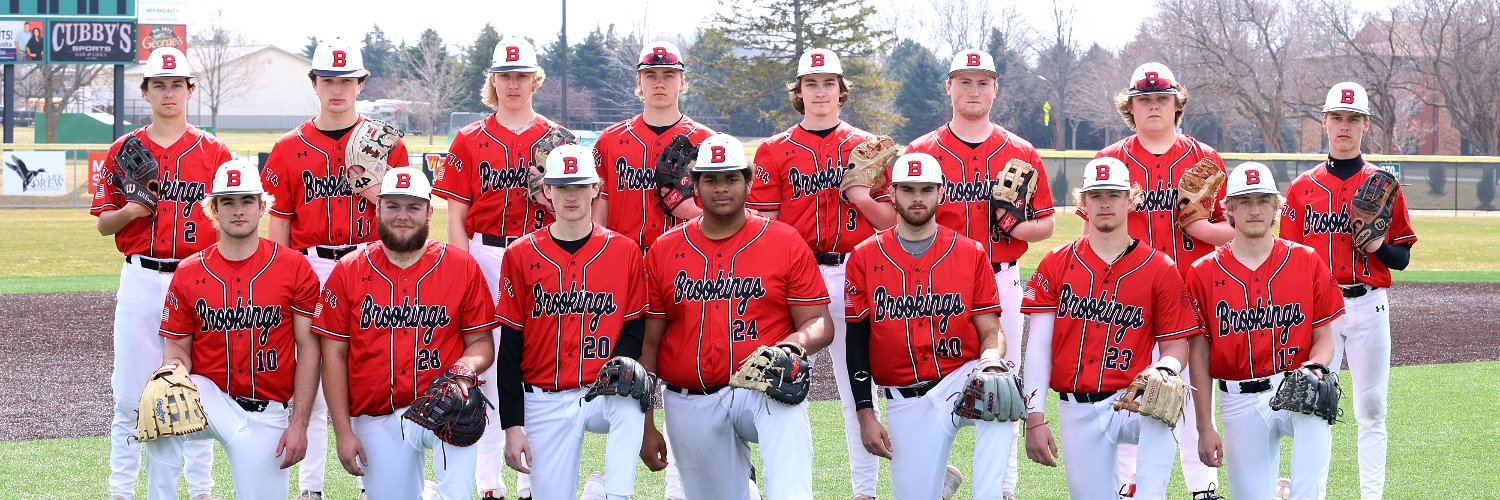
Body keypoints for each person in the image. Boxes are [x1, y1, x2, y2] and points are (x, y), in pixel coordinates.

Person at [637, 133, 834, 499]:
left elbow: (819, 322)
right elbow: (649, 342)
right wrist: (646, 423)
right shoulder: (665, 250)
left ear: (749, 180)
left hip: (758, 389)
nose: (721, 188)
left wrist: (791, 346)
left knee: (783, 397)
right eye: (710, 179)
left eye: (731, 178)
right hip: (689, 398)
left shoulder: (784, 240)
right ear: (694, 186)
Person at [259, 37, 412, 499]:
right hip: (309, 266)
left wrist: (374, 192)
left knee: (365, 374)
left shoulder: (387, 145)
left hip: (369, 265)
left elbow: (405, 217)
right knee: (310, 372)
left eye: (346, 80)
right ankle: (310, 487)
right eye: (328, 80)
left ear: (361, 83)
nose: (337, 89)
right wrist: (277, 279)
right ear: (315, 84)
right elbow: (279, 221)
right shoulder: (287, 147)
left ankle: (373, 483)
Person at [903, 48, 1055, 498]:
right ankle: (937, 471)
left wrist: (1015, 225)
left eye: (983, 82)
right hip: (937, 283)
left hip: (1001, 276)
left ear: (996, 89)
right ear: (949, 87)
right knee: (926, 375)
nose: (974, 90)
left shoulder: (1021, 151)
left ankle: (1004, 486)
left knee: (1003, 381)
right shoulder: (922, 152)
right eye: (964, 81)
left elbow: (1046, 221)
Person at [745, 48, 895, 500]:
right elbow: (766, 225)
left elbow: (892, 222)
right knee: (779, 381)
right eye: (811, 83)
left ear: (842, 90)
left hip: (855, 270)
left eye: (829, 82)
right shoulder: (774, 150)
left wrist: (861, 196)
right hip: (796, 272)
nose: (820, 91)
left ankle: (865, 491)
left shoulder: (869, 146)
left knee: (857, 388)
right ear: (799, 92)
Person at [1019, 157, 1202, 500]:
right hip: (1077, 407)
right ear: (1083, 203)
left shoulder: (1159, 267)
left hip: (1130, 402)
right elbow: (1039, 348)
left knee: (1161, 403)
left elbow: (1177, 345)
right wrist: (1035, 418)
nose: (1105, 202)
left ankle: (1147, 494)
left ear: (1131, 200)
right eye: (1096, 194)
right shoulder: (1056, 263)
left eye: (1114, 194)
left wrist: (1166, 367)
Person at [590, 40, 724, 500]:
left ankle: (696, 476)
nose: (660, 83)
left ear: (683, 81)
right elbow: (599, 212)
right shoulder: (610, 141)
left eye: (669, 75)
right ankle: (616, 477)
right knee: (628, 371)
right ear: (638, 84)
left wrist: (689, 208)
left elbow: (727, 214)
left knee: (689, 371)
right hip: (628, 269)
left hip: (691, 271)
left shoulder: (707, 142)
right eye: (651, 76)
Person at [314, 167, 497, 500]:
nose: (402, 216)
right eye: (393, 206)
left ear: (429, 211)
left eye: (412, 207)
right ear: (377, 209)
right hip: (377, 416)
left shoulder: (461, 266)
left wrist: (464, 370)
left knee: (458, 494)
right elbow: (334, 356)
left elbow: (481, 343)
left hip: (445, 410)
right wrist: (343, 431)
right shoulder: (348, 270)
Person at [144, 159, 323, 500]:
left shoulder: (293, 266)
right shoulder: (189, 271)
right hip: (212, 398)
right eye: (227, 201)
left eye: (246, 201)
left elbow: (309, 348)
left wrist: (298, 423)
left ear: (261, 206)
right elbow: (178, 347)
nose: (238, 210)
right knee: (162, 407)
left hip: (267, 412)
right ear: (213, 209)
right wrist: (173, 370)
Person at [91, 46, 224, 500]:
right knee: (129, 396)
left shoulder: (214, 151)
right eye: (159, 85)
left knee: (196, 393)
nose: (169, 93)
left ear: (191, 90)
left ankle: (200, 491)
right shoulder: (123, 149)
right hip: (142, 277)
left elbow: (234, 222)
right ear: (145, 92)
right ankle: (122, 492)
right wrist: (131, 210)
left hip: (198, 279)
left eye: (177, 85)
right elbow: (103, 224)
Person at [432, 36, 562, 500]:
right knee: (483, 368)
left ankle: (533, 478)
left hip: (541, 254)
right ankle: (488, 480)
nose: (513, 83)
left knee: (537, 364)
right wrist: (464, 274)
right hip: (485, 255)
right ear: (493, 80)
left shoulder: (557, 140)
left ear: (535, 80)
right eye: (505, 75)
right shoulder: (468, 139)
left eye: (521, 75)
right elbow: (457, 217)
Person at [1095, 62, 1231, 499]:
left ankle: (1203, 488)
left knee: (1191, 397)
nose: (1153, 106)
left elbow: (1241, 230)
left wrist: (1202, 228)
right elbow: (1090, 235)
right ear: (1129, 108)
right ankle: (1127, 488)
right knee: (1128, 394)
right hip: (1127, 299)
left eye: (1161, 99)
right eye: (1143, 100)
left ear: (1177, 105)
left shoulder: (1205, 159)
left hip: (1191, 295)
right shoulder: (1110, 161)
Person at [845, 152, 1011, 498]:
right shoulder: (864, 255)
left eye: (925, 189)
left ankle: (991, 495)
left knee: (1000, 388)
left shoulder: (970, 252)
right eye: (907, 189)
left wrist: (991, 360)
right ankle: (938, 482)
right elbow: (857, 341)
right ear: (892, 194)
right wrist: (865, 413)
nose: (916, 198)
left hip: (958, 378)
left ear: (941, 192)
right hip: (906, 398)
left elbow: (990, 330)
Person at [1280, 81, 1417, 500]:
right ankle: (1309, 494)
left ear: (1365, 125)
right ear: (1324, 122)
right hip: (1321, 313)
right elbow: (1286, 258)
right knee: (1313, 405)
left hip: (1369, 306)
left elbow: (1403, 257)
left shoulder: (1383, 185)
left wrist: (1377, 245)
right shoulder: (1301, 188)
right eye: (1337, 117)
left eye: (1352, 118)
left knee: (1372, 410)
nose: (1344, 126)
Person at [492, 145, 648, 500]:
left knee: (630, 390)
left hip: (599, 392)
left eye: (580, 185)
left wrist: (619, 364)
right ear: (546, 191)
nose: (572, 195)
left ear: (596, 188)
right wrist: (513, 426)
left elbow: (634, 326)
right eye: (562, 186)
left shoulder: (624, 251)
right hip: (543, 398)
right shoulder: (521, 253)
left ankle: (616, 495)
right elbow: (511, 346)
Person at [1185, 162, 1344, 499]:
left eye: (1262, 201)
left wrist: (1316, 366)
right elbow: (1199, 354)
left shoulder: (1307, 260)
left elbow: (1325, 337)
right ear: (1227, 210)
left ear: (1276, 208)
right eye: (1244, 201)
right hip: (1238, 401)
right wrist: (1204, 426)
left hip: (1293, 387)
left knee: (1316, 401)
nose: (1254, 210)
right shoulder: (1202, 273)